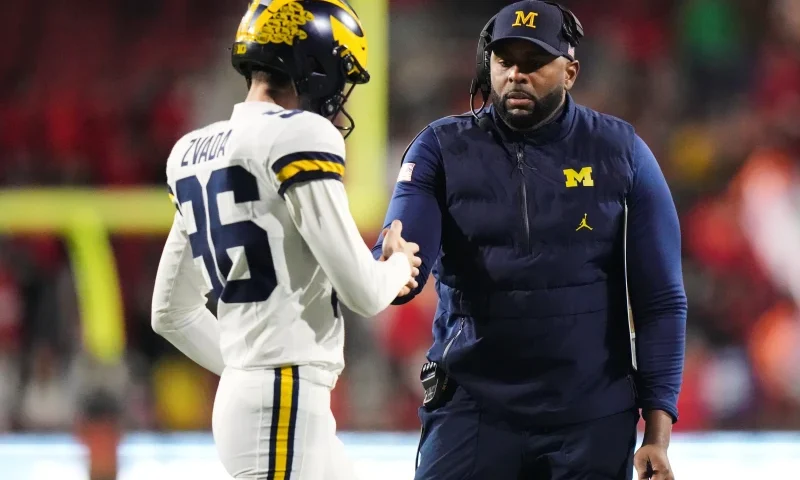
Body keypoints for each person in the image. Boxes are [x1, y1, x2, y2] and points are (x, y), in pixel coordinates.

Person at [373, 1, 687, 479]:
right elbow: (405, 248)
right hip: (474, 410)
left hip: (590, 420)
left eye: (535, 62)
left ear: (570, 72)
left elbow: (660, 299)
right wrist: (394, 267)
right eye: (504, 61)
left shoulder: (621, 153)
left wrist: (658, 434)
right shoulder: (440, 149)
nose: (517, 75)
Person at [150, 1, 421, 478]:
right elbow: (364, 292)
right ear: (314, 66)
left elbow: (171, 313)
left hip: (269, 399)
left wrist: (245, 367)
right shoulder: (301, 134)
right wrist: (398, 265)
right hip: (282, 403)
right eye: (340, 74)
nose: (340, 94)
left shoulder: (192, 151)